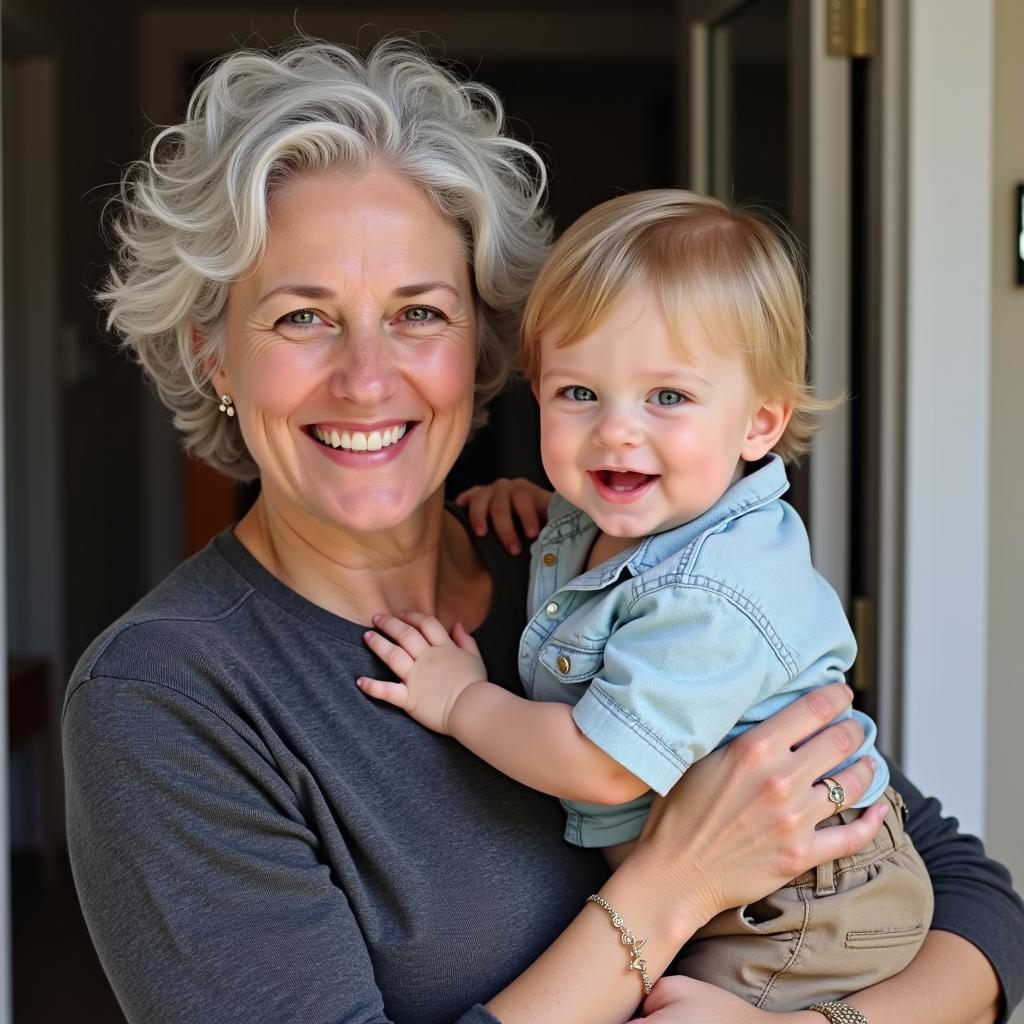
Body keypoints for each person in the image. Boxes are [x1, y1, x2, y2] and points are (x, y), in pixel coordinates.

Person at [61, 38, 1023, 1024]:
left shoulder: (598, 556)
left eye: (418, 313)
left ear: (482, 343)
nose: (365, 377)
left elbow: (969, 897)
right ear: (213, 355)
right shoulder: (165, 697)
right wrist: (673, 881)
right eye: (303, 317)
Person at [357, 189, 933, 1012]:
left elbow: (600, 763)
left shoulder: (711, 594)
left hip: (803, 910)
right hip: (741, 896)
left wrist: (460, 701)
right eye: (578, 394)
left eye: (667, 398)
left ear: (759, 422)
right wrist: (537, 505)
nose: (616, 432)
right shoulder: (626, 520)